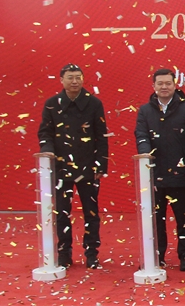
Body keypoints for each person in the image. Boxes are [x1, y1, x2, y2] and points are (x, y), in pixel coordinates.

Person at [38, 64, 108, 269]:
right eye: (70, 78)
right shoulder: (52, 104)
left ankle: (91, 253)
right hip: (60, 167)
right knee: (62, 212)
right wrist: (47, 150)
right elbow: (45, 133)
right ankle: (64, 252)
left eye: (78, 77)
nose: (75, 81)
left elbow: (101, 136)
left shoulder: (94, 103)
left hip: (88, 166)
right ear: (62, 80)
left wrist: (100, 165)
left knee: (91, 212)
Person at [134, 69, 185, 271]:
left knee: (183, 218)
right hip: (153, 174)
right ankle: (157, 255)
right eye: (160, 83)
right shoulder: (145, 111)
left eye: (168, 83)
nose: (164, 87)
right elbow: (141, 135)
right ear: (153, 86)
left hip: (180, 175)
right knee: (156, 218)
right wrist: (146, 157)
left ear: (175, 85)